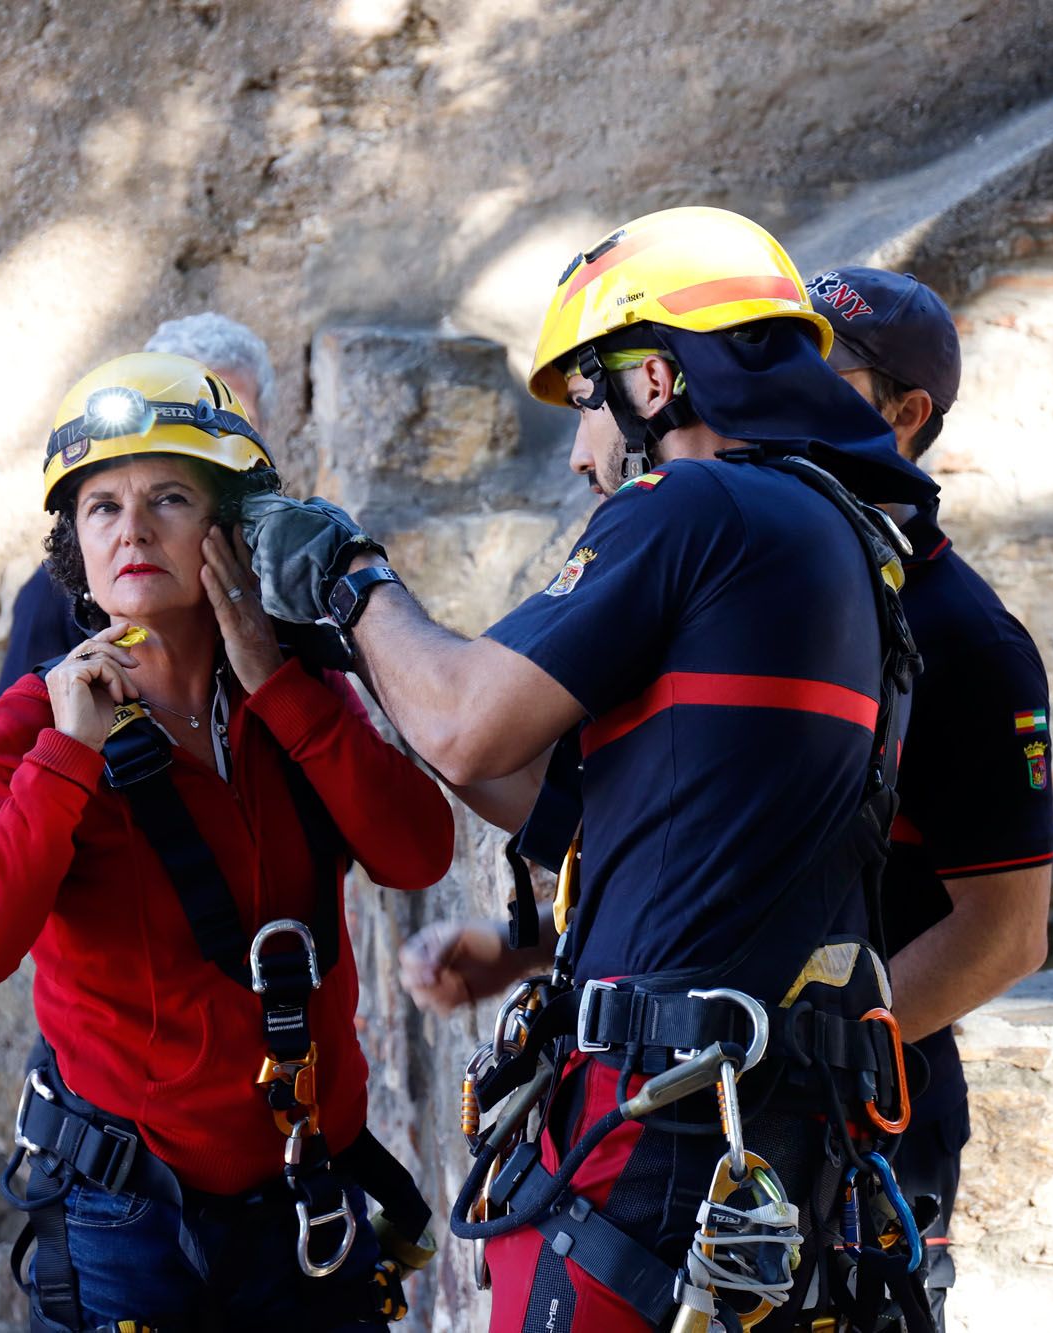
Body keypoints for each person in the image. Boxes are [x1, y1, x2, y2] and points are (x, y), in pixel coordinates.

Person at [241, 207, 943, 1331]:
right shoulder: (836, 542)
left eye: (586, 403)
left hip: (651, 1146)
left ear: (656, 380)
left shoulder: (692, 505)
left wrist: (349, 577)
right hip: (750, 1136)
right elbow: (549, 805)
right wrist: (371, 658)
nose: (579, 452)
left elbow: (469, 725)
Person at [0, 352, 454, 1331]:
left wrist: (285, 689)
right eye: (102, 507)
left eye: (168, 496)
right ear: (73, 550)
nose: (132, 528)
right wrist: (66, 757)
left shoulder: (296, 697)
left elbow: (418, 852)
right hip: (134, 1225)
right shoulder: (33, 726)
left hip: (308, 1208)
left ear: (226, 530)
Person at [808, 265, 1053, 1327]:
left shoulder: (969, 641)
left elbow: (1004, 935)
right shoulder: (768, 584)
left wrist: (812, 1052)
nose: (778, 389)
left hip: (867, 1123)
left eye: (821, 370)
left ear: (904, 415)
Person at [0, 313, 278, 697]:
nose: (219, 437)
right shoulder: (56, 592)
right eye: (196, 417)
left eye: (236, 417)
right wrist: (70, 746)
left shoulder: (289, 572)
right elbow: (21, 735)